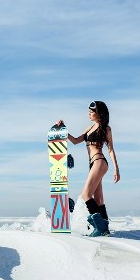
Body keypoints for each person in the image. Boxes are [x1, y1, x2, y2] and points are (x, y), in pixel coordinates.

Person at [59, 101, 120, 236]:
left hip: (100, 161)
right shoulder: (89, 128)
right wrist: (64, 129)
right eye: (89, 112)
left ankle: (100, 227)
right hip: (93, 164)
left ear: (99, 114)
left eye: (91, 112)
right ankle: (104, 227)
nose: (89, 114)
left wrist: (116, 169)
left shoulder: (106, 129)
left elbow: (110, 149)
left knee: (86, 195)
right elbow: (75, 141)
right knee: (98, 200)